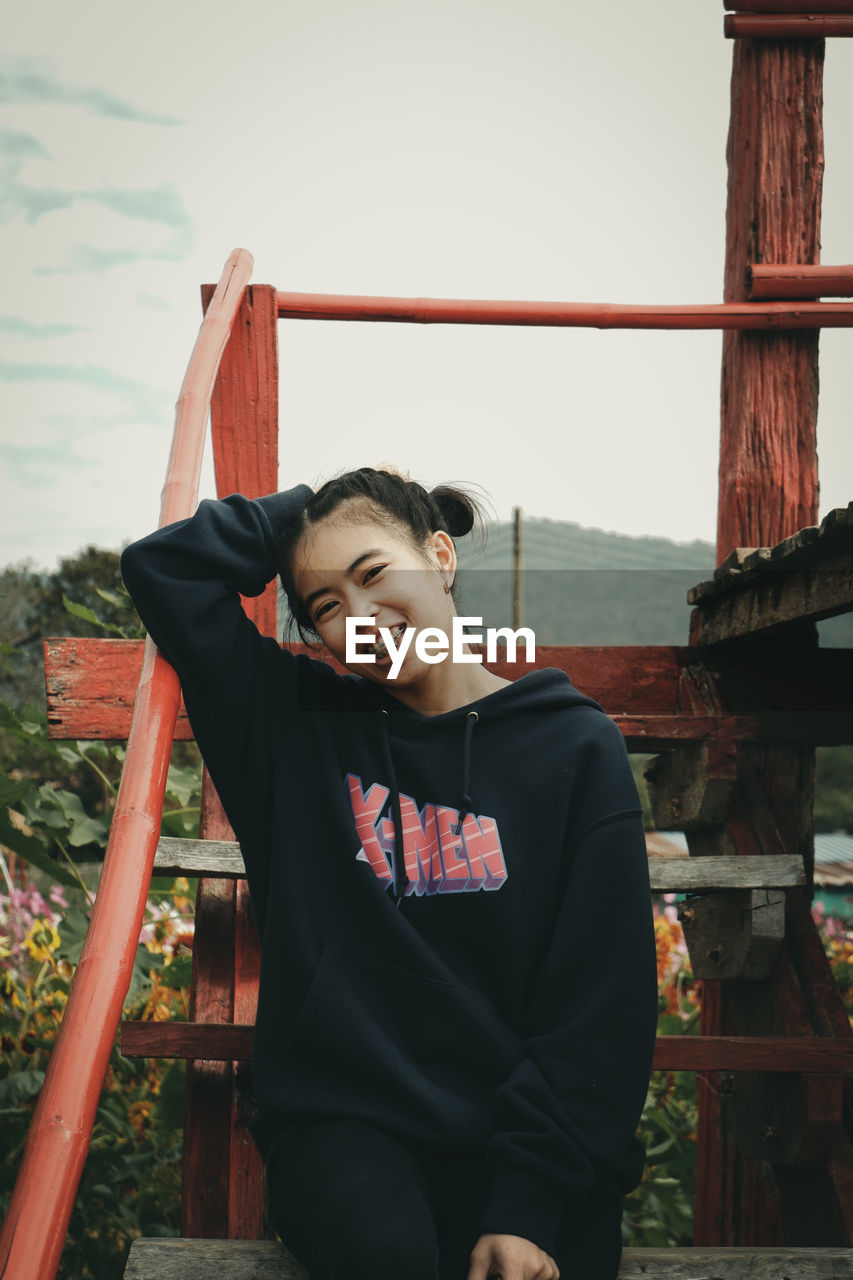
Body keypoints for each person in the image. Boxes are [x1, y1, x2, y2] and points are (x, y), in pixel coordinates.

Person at [121, 467, 659, 1280]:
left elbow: (599, 1002)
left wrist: (526, 1205)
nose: (361, 616)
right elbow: (165, 569)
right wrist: (302, 508)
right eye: (327, 608)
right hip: (346, 1133)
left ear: (439, 555)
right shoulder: (295, 731)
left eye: (375, 574)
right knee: (385, 1254)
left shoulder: (574, 749)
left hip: (531, 1140)